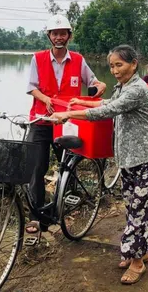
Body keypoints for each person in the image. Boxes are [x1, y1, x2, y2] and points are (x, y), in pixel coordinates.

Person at [51, 45, 148, 285]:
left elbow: (108, 111)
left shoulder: (137, 88)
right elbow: (107, 102)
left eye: (120, 65)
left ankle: (137, 261)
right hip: (130, 157)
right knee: (135, 207)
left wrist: (70, 114)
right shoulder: (124, 86)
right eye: (112, 66)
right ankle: (141, 250)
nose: (115, 71)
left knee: (139, 209)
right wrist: (81, 103)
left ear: (134, 64)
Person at [26, 14, 106, 236]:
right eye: (55, 33)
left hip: (68, 122)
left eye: (63, 33)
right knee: (36, 169)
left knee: (68, 164)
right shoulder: (38, 58)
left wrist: (100, 85)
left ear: (69, 36)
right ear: (49, 36)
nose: (59, 37)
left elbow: (93, 82)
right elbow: (32, 87)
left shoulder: (78, 60)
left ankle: (66, 203)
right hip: (42, 120)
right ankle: (37, 217)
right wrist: (45, 99)